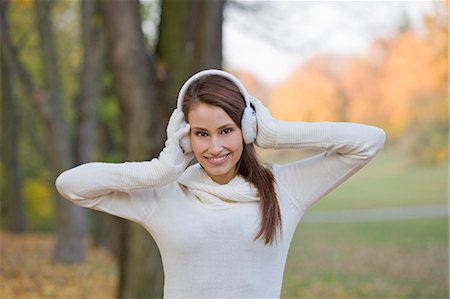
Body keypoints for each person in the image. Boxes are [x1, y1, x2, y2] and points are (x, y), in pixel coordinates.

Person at [55, 69, 386, 298]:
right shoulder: (163, 195)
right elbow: (71, 184)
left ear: (247, 129)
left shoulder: (285, 189)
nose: (214, 148)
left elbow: (369, 141)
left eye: (226, 130)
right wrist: (160, 170)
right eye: (202, 134)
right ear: (186, 137)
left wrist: (274, 134)